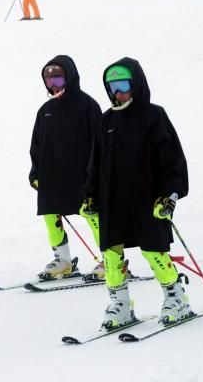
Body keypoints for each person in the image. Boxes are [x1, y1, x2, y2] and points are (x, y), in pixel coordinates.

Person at [83, 58, 190, 332]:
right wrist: (90, 194)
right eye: (112, 87)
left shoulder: (154, 116)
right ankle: (120, 303)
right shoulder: (106, 120)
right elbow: (94, 164)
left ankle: (176, 297)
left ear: (137, 85)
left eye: (123, 86)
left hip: (147, 198)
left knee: (153, 249)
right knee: (111, 252)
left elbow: (173, 161)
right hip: (112, 200)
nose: (117, 93)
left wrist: (170, 196)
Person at [28, 57, 104, 280]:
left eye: (58, 79)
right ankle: (62, 260)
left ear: (69, 77)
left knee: (91, 214)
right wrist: (35, 173)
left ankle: (109, 258)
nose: (54, 85)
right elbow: (37, 146)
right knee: (51, 214)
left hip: (83, 176)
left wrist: (98, 174)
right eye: (49, 80)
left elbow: (100, 144)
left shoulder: (87, 106)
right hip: (53, 178)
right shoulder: (45, 111)